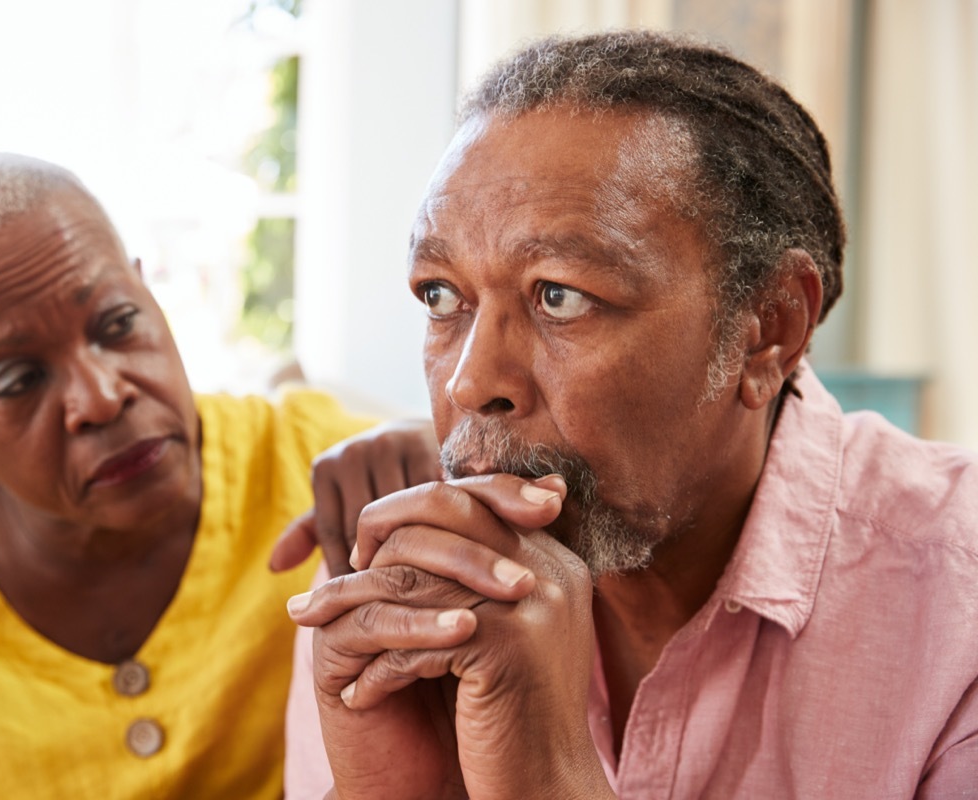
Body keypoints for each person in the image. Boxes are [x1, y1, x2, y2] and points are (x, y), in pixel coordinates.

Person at [283, 30, 978, 798]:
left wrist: (546, 781)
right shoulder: (406, 595)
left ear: (769, 329)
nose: (471, 383)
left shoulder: (956, 616)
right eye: (442, 297)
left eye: (560, 296)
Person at [0, 151, 438, 798]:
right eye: (19, 380)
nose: (100, 397)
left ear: (149, 294)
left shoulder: (316, 464)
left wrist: (452, 460)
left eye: (118, 324)